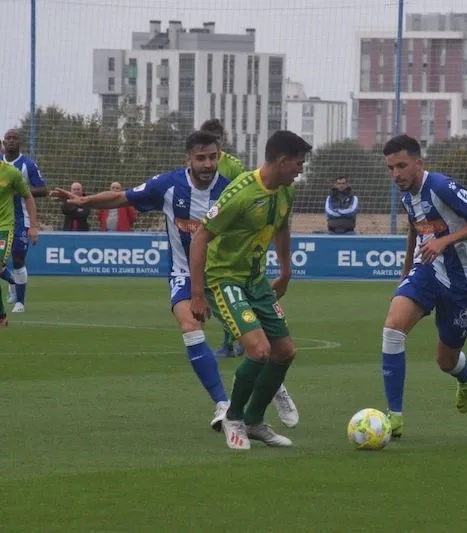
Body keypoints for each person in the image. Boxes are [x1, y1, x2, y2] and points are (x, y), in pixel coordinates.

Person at [51, 130, 299, 431]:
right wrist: (85, 200)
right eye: (201, 158)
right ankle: (223, 404)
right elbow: (121, 196)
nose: (208, 164)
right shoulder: (168, 186)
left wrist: (282, 270)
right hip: (185, 273)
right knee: (190, 326)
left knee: (267, 346)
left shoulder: (231, 189)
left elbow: (274, 222)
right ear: (188, 159)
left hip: (229, 274)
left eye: (213, 157)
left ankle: (273, 387)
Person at [189, 130, 312, 450]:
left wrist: (285, 271)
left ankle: (255, 421)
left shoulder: (286, 191)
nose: (301, 169)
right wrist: (198, 293)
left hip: (256, 280)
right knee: (259, 351)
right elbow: (201, 236)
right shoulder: (240, 193)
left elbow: (282, 228)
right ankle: (234, 416)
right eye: (298, 163)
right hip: (224, 279)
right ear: (282, 161)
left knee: (285, 351)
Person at [380, 134, 467, 439]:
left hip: (463, 285)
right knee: (393, 329)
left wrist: (445, 240)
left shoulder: (442, 186)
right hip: (428, 271)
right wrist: (407, 269)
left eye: (402, 166)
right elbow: (414, 226)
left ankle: (465, 375)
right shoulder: (406, 193)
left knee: (446, 360)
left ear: (419, 164)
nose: (396, 174)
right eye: (391, 168)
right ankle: (394, 417)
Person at [199, 118, 246, 359]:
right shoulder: (197, 163)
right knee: (210, 291)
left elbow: (244, 199)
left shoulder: (233, 166)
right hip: (203, 235)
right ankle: (233, 339)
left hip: (226, 238)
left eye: (213, 142)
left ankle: (238, 336)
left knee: (224, 289)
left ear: (220, 141)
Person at [1, 129, 47, 313]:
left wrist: (19, 189)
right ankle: (12, 281)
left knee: (18, 258)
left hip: (20, 220)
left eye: (15, 138)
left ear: (20, 142)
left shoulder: (27, 165)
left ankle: (20, 301)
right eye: (8, 138)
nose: (11, 141)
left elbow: (43, 190)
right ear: (3, 142)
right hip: (1, 218)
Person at [0, 159, 39, 327]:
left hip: (4, 227)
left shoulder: (11, 172)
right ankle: (2, 314)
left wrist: (33, 226)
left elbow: (28, 197)